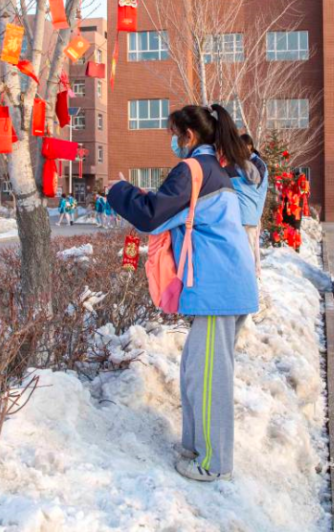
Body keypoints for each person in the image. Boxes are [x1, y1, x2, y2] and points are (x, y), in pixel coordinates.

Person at [107, 104, 257, 483]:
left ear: (189, 136)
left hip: (217, 291)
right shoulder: (211, 171)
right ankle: (195, 446)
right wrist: (135, 194)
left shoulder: (192, 169)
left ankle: (214, 462)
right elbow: (170, 210)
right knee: (196, 370)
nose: (172, 141)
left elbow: (151, 214)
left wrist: (118, 190)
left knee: (208, 378)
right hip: (224, 287)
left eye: (174, 133)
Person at [229, 133, 268, 276]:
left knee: (248, 250)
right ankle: (253, 277)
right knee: (250, 249)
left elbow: (252, 188)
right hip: (250, 214)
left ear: (249, 146)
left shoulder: (254, 164)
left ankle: (250, 280)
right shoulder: (254, 164)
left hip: (247, 214)